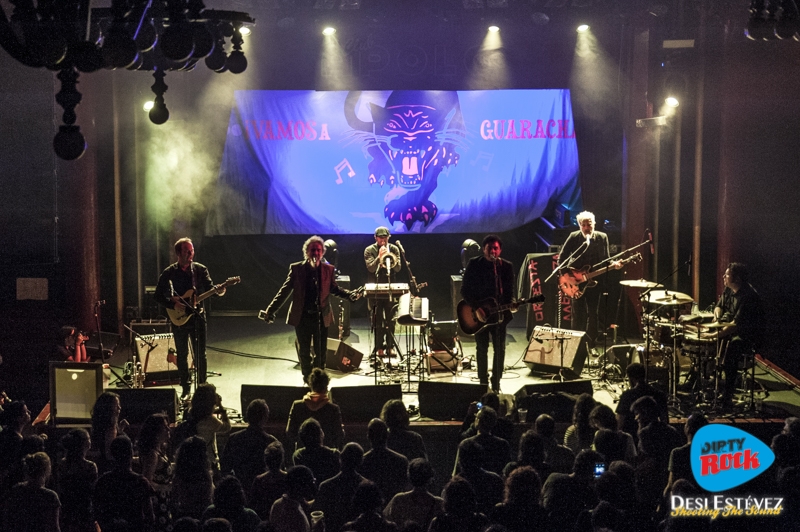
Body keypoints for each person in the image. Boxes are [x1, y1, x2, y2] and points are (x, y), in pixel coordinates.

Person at [262, 236, 361, 383]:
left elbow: (333, 288)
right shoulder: (297, 269)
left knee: (321, 353)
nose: (316, 252)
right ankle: (307, 379)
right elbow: (284, 291)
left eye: (319, 250)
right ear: (307, 252)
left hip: (322, 316)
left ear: (323, 253)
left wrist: (349, 295)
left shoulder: (328, 269)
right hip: (302, 317)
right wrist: (271, 310)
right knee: (305, 351)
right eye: (313, 250)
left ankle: (319, 381)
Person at [155, 237, 226, 398]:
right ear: (178, 253)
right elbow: (158, 295)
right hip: (178, 319)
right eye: (187, 251)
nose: (191, 253)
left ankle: (202, 389)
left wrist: (220, 291)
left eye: (192, 250)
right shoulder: (169, 272)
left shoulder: (200, 270)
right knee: (182, 354)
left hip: (197, 317)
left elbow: (210, 290)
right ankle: (186, 388)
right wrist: (173, 305)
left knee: (201, 354)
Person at [460, 234, 516, 392]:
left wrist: (512, 303)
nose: (493, 251)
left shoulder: (506, 267)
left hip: (499, 315)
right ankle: (483, 382)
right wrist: (476, 307)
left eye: (496, 248)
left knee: (500, 349)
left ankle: (496, 381)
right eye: (490, 248)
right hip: (479, 314)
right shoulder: (474, 264)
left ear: (500, 250)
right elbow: (464, 290)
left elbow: (509, 291)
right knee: (481, 347)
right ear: (484, 249)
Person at [557, 211, 620, 348]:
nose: (586, 227)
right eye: (583, 224)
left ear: (594, 224)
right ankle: (575, 344)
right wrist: (567, 276)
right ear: (579, 225)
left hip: (594, 282)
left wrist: (614, 265)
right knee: (577, 313)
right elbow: (561, 259)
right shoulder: (574, 237)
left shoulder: (602, 238)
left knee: (593, 313)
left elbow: (606, 260)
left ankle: (590, 343)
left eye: (589, 224)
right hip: (575, 282)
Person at [704, 262, 762, 404]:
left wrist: (713, 336)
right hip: (729, 328)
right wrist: (717, 320)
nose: (724, 276)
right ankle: (701, 381)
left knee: (732, 349)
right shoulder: (729, 289)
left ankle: (727, 394)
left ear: (737, 278)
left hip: (746, 335)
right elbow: (719, 306)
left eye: (727, 274)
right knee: (703, 337)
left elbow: (736, 325)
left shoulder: (748, 297)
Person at [93, 435, 155, 531]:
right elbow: (149, 516)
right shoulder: (140, 482)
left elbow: (97, 512)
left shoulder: (103, 481)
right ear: (131, 453)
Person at [221, 399, 278, 500]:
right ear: (265, 418)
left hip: (239, 493)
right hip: (264, 494)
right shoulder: (271, 442)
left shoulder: (234, 439)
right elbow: (277, 472)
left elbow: (225, 468)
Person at [364, 226, 402, 356]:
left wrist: (390, 259)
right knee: (377, 320)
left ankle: (390, 346)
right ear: (375, 238)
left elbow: (398, 269)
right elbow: (370, 268)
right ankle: (379, 347)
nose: (383, 241)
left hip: (390, 288)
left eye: (385, 238)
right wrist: (379, 257)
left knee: (391, 320)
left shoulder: (395, 249)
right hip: (375, 289)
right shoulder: (369, 250)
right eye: (380, 238)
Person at [285, 368, 344, 451]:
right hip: (325, 456)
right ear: (326, 387)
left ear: (311, 385)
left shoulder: (297, 405)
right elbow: (339, 435)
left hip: (303, 455)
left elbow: (290, 433)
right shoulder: (333, 409)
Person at [3, 451, 61, 532]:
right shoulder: (50, 496)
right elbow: (54, 528)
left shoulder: (17, 489)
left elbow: (7, 520)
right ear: (46, 470)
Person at [383, 458, 443, 530]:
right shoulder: (439, 503)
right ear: (430, 478)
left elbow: (388, 522)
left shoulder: (399, 499)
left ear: (409, 476)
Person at [614, 362, 668, 442]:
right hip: (653, 437)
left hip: (632, 439)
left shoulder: (627, 395)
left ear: (631, 378)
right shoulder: (659, 394)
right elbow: (665, 421)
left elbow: (619, 422)